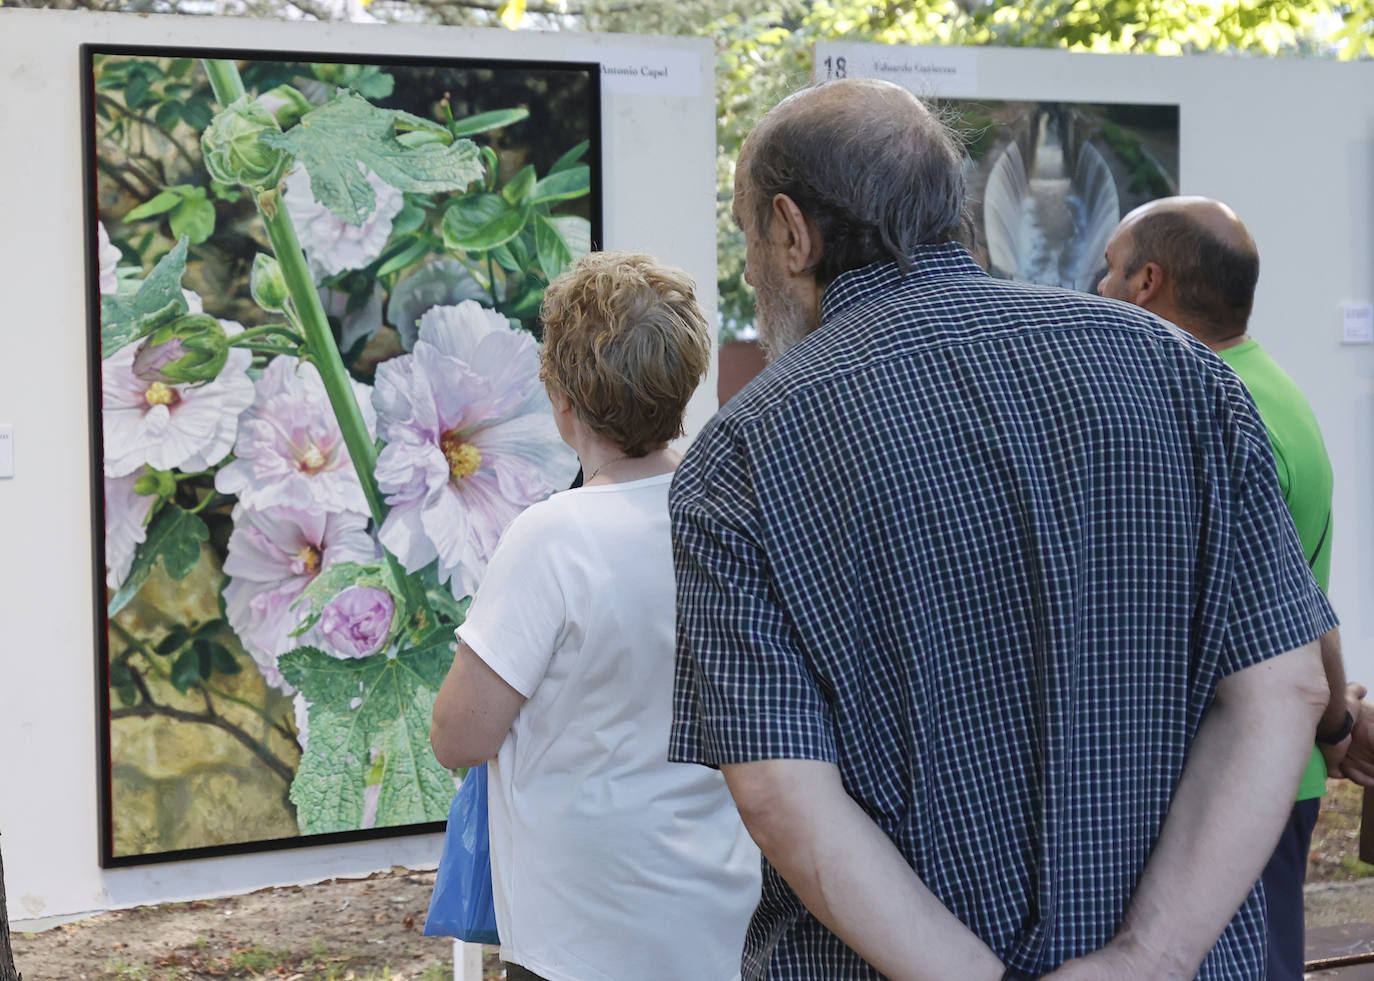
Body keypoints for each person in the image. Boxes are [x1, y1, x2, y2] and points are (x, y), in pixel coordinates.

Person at [668, 78, 1335, 981]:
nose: (751, 268)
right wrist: (1149, 957)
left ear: (792, 230)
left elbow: (783, 796)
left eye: (749, 235)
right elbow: (1280, 693)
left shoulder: (738, 460)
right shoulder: (1184, 377)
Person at [430, 251, 760, 981]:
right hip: (723, 922)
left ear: (562, 397)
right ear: (687, 379)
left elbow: (459, 735)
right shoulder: (735, 521)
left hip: (581, 939)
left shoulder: (552, 538)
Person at [1097, 195, 1361, 980]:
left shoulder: (1214, 412)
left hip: (1244, 774)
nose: (1098, 289)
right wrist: (1337, 720)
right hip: (1277, 767)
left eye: (1108, 271)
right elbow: (1304, 595)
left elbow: (1289, 612)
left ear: (1148, 282)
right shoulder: (1268, 387)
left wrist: (1338, 717)